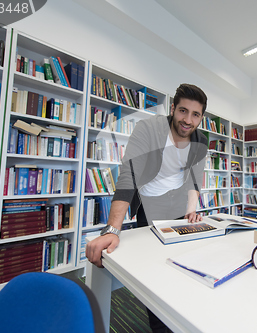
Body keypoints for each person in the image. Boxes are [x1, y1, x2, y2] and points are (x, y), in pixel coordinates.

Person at [86, 83, 208, 332]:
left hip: (178, 202)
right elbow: (128, 175)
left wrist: (191, 210)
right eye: (183, 111)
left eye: (195, 114)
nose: (188, 120)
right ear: (173, 108)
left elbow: (196, 177)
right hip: (149, 203)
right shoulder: (148, 129)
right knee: (156, 268)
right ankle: (161, 326)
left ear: (201, 117)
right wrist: (112, 229)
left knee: (182, 264)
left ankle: (185, 315)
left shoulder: (201, 140)